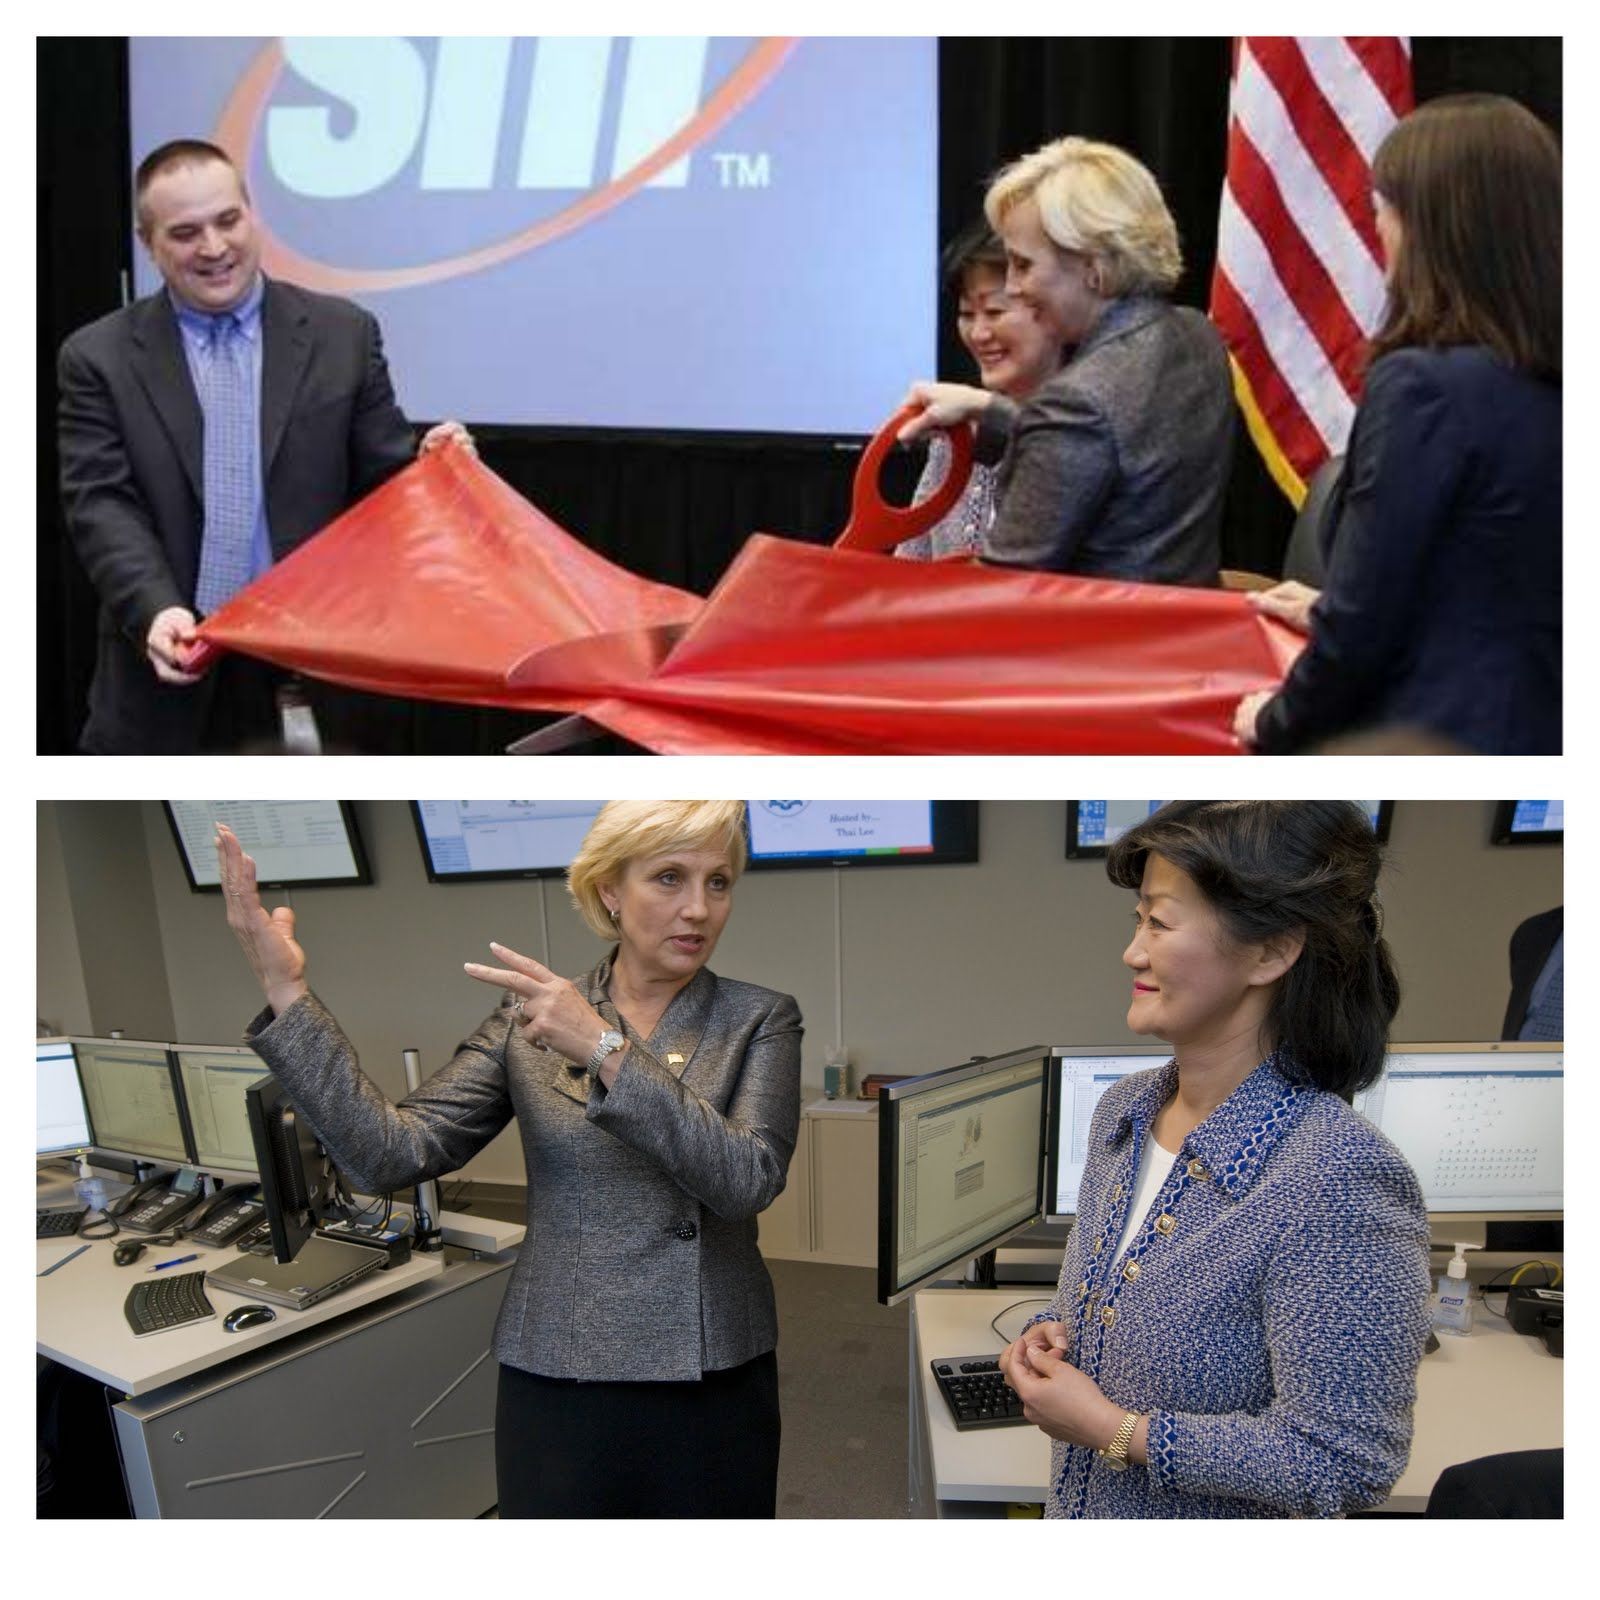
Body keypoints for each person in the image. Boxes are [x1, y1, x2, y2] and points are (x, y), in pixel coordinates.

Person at [214, 800, 802, 1518]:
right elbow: (387, 1154)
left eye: (718, 883)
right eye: (670, 878)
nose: (698, 909)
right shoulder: (532, 1020)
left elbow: (746, 1180)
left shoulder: (759, 1018)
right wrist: (287, 993)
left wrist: (604, 1050)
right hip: (561, 1359)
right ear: (610, 890)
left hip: (712, 1365)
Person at [997, 801, 1431, 1518]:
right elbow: (1124, 1305)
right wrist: (1055, 1330)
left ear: (1271, 951)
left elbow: (1345, 1464)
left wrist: (1113, 1432)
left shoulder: (1335, 1177)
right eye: (1138, 920)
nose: (1133, 952)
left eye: (1160, 923)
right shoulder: (1126, 1114)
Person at [58, 138, 472, 754]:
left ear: (252, 215)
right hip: (166, 668)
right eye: (185, 232)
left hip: (313, 668)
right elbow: (101, 504)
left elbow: (385, 485)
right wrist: (154, 610)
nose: (215, 248)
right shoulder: (97, 357)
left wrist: (434, 468)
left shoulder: (343, 334)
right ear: (149, 243)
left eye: (228, 221)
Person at [1234, 95, 1561, 755]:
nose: (1376, 234)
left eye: (1379, 212)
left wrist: (1273, 723)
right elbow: (1492, 577)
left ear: (1426, 227)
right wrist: (1328, 611)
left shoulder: (1423, 385)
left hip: (1434, 740)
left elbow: (1365, 629)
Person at [899, 136, 1232, 585]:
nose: (1013, 287)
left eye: (1023, 265)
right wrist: (990, 411)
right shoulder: (1197, 335)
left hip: (1090, 650)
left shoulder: (1078, 402)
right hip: (1185, 638)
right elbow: (1118, 460)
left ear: (1092, 268)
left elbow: (999, 592)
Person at [895, 223, 1061, 560]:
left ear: (1052, 308)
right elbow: (910, 566)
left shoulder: (1098, 423)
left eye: (995, 312)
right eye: (967, 314)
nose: (979, 333)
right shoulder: (955, 437)